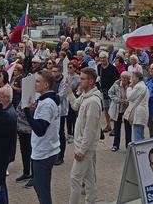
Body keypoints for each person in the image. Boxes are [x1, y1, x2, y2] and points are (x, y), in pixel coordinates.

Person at [66, 67, 102, 204]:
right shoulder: (86, 95)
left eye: (82, 79)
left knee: (75, 178)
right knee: (89, 178)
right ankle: (91, 201)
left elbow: (90, 130)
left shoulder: (93, 101)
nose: (80, 81)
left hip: (85, 147)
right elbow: (75, 105)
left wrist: (82, 149)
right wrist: (69, 90)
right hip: (82, 145)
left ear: (91, 81)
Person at [24, 70, 60, 204]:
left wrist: (27, 112)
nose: (34, 84)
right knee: (40, 187)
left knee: (42, 189)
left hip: (45, 152)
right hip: (44, 148)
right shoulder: (45, 100)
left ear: (46, 85)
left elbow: (40, 130)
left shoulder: (47, 103)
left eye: (37, 81)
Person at [109, 71, 131, 151]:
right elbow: (110, 93)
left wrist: (128, 101)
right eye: (123, 77)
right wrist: (118, 100)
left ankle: (128, 146)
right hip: (118, 109)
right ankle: (115, 145)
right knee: (117, 127)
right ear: (120, 78)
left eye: (126, 78)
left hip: (127, 109)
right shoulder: (116, 84)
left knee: (128, 128)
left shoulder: (131, 85)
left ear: (129, 79)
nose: (124, 79)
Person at [96, 52, 119, 133]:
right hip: (104, 90)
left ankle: (115, 127)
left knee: (114, 108)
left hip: (112, 91)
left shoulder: (112, 67)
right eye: (101, 58)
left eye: (104, 58)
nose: (102, 59)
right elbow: (98, 76)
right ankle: (108, 125)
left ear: (107, 58)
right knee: (106, 108)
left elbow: (118, 78)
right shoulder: (99, 66)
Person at [124, 71, 149, 142]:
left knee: (137, 136)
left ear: (136, 78)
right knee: (139, 134)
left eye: (132, 77)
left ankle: (139, 152)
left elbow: (129, 97)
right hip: (140, 112)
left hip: (139, 114)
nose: (130, 79)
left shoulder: (138, 86)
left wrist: (129, 88)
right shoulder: (142, 85)